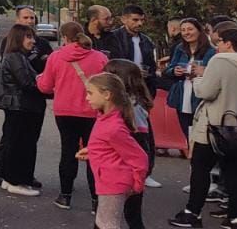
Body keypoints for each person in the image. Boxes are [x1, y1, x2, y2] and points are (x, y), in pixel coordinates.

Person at [170, 28, 237, 229]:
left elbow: (206, 92)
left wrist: (198, 78)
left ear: (229, 44)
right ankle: (236, 218)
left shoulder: (220, 62)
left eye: (220, 41)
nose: (217, 45)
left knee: (200, 169)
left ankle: (192, 212)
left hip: (214, 126)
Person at [37, 20, 109, 212]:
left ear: (64, 37)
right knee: (94, 153)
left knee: (68, 152)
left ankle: (65, 196)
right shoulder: (100, 58)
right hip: (93, 112)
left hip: (65, 111)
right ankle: (96, 200)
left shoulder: (56, 57)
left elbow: (45, 86)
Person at [0, 6, 51, 188]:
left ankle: (18, 176)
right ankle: (12, 178)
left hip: (27, 105)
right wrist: (48, 88)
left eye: (32, 17)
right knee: (15, 142)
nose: (33, 41)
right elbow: (26, 82)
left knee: (23, 142)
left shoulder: (26, 54)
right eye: (26, 17)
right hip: (19, 105)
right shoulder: (15, 56)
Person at [83, 73, 150, 229]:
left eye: (90, 93)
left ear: (106, 95)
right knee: (103, 222)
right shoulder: (106, 119)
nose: (87, 98)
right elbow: (109, 146)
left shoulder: (113, 127)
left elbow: (139, 157)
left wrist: (138, 184)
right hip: (108, 181)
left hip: (113, 183)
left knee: (107, 224)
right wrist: (92, 151)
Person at [106, 58, 158, 220]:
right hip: (127, 169)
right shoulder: (135, 103)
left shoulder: (130, 108)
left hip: (126, 170)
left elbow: (138, 142)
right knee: (125, 214)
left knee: (124, 215)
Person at [162, 18, 215, 137]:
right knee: (187, 131)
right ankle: (190, 152)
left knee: (201, 133)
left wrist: (203, 71)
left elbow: (216, 74)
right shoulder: (180, 48)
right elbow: (168, 69)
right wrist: (174, 71)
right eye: (183, 30)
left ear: (199, 31)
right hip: (182, 94)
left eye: (190, 29)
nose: (186, 33)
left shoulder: (211, 51)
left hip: (199, 96)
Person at [111, 6, 156, 89]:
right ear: (123, 20)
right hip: (120, 87)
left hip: (143, 87)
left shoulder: (146, 40)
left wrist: (149, 75)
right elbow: (111, 65)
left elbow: (152, 65)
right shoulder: (113, 38)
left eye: (142, 20)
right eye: (135, 20)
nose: (140, 23)